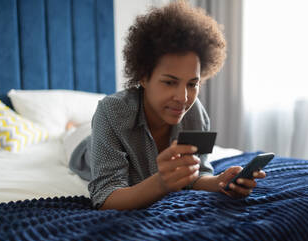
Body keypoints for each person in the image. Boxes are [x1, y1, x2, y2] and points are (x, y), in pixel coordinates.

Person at [69, 0, 266, 211]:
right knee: (74, 133)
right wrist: (161, 183)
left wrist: (221, 182)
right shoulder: (111, 112)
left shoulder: (195, 114)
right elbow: (106, 198)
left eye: (192, 84)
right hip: (82, 148)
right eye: (170, 82)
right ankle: (69, 128)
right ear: (144, 77)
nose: (183, 97)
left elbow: (196, 175)